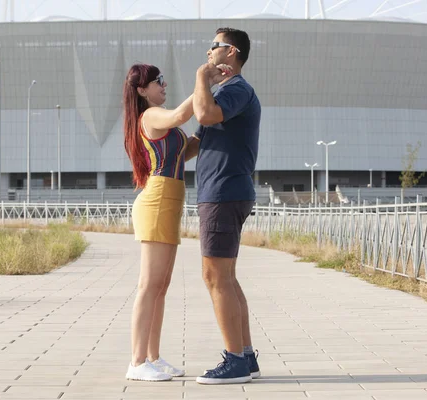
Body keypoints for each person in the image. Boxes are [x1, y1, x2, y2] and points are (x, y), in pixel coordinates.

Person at [122, 63, 230, 382]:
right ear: (142, 90)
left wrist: (209, 126)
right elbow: (181, 116)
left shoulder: (158, 116)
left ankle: (152, 357)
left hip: (168, 202)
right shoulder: (151, 115)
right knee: (149, 285)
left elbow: (185, 151)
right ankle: (137, 361)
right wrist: (202, 82)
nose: (163, 85)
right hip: (157, 202)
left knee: (161, 286)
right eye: (158, 82)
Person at [186, 27, 261, 385]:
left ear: (230, 52)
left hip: (223, 192)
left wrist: (202, 77)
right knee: (226, 278)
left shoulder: (235, 90)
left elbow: (204, 116)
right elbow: (195, 143)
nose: (208, 51)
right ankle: (245, 356)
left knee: (214, 276)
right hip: (224, 191)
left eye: (213, 46)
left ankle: (234, 361)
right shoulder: (224, 94)